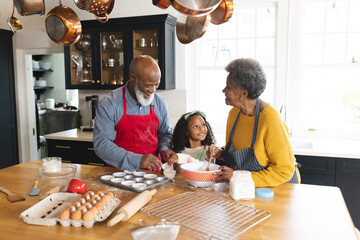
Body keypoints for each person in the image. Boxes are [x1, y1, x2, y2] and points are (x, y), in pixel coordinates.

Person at [212, 58, 300, 187]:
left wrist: (237, 177)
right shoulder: (234, 114)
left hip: (278, 188)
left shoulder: (270, 118)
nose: (223, 90)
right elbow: (239, 153)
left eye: (228, 87)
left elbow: (284, 171)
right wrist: (220, 152)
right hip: (248, 187)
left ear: (243, 93)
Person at [93, 55, 176, 171]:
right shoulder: (110, 103)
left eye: (156, 85)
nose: (152, 90)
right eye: (148, 85)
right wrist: (137, 160)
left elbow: (165, 133)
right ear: (132, 77)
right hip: (119, 173)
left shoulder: (160, 103)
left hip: (153, 173)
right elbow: (102, 144)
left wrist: (165, 148)